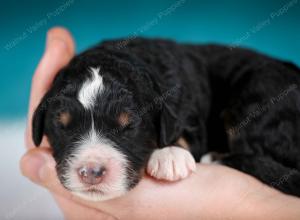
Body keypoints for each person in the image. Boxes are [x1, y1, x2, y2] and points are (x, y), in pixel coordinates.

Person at [20, 27, 300, 220]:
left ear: (161, 121)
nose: (90, 168)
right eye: (66, 126)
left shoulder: (171, 97)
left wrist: (253, 207)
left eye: (125, 126)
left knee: (266, 91)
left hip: (274, 89)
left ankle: (251, 162)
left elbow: (192, 133)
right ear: (41, 123)